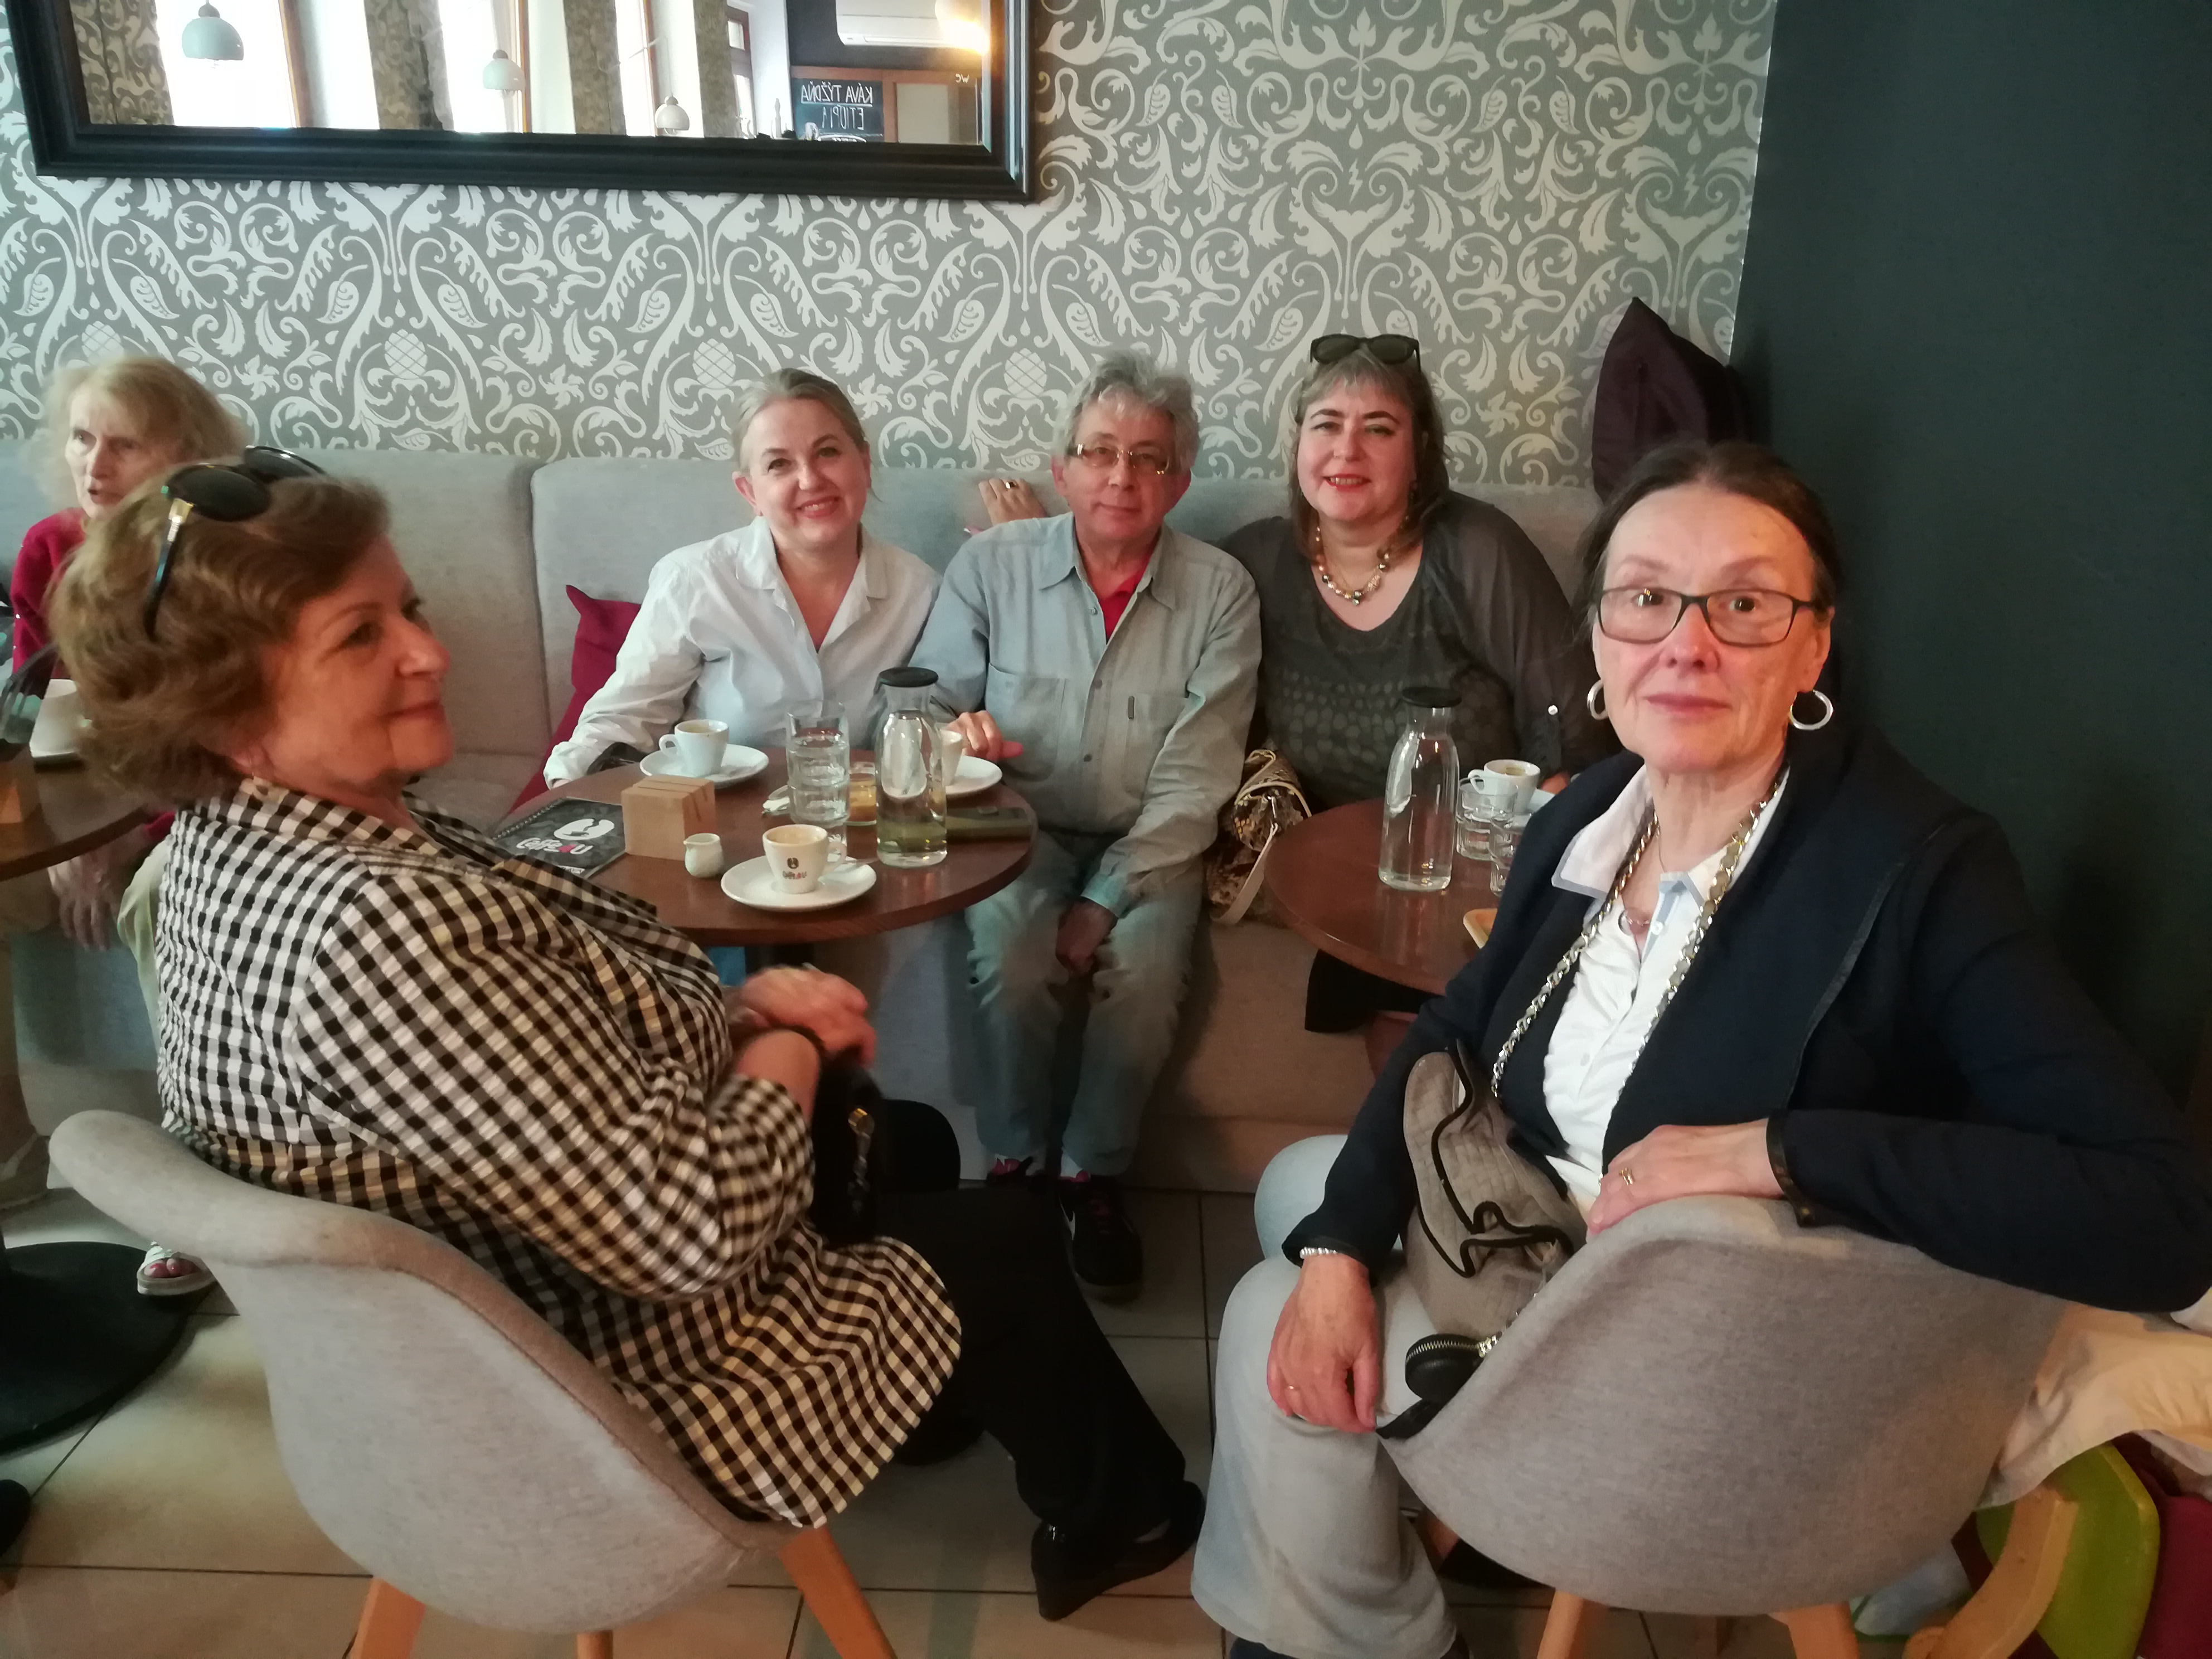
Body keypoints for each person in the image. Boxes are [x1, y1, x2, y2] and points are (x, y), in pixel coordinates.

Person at [50, 468, 1204, 1618]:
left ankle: (926, 1407)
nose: (428, 652)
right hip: (616, 1390)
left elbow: (512, 1043)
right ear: (226, 714)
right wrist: (787, 1040)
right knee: (1001, 1233)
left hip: (510, 1299)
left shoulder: (224, 853)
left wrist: (744, 1022)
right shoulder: (373, 929)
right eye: (360, 636)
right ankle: (1127, 1513)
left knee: (899, 1138)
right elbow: (687, 1228)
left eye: (410, 610)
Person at [1190, 441, 2212, 1659]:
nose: (1685, 643)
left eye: (1743, 604)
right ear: (1597, 636)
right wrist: (1340, 1257)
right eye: (1645, 598)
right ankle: (1358, 1575)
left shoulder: (1916, 872)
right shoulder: (1590, 815)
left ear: (1813, 647)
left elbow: (2162, 1213)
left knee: (1265, 1319)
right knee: (1307, 1205)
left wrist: (1775, 1151)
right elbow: (1458, 1027)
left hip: (1703, 1368)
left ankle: (1359, 1636)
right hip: (1539, 1234)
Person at [908, 353, 1260, 1299]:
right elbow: (919, 710)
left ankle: (1090, 1178)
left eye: (1149, 458)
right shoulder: (991, 566)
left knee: (1143, 975)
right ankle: (1016, 1166)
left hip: (1151, 837)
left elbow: (1197, 774)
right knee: (1011, 953)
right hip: (1011, 828)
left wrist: (1105, 897)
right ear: (1061, 470)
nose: (1121, 476)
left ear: (1179, 482)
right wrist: (952, 737)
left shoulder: (1221, 591)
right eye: (1099, 452)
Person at [1229, 334, 1610, 1069]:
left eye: (1379, 428)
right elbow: (1160, 625)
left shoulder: (1476, 549)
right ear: (1298, 444)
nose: (1347, 449)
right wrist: (1032, 543)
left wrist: (1533, 848)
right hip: (1333, 866)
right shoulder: (1255, 562)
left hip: (1472, 861)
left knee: (1433, 1021)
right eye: (1326, 424)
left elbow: (1573, 717)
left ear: (1420, 452)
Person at [0, 358, 243, 1298]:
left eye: (125, 444)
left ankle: (198, 1189)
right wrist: (73, 838)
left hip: (193, 803)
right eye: (81, 438)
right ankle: (11, 1150)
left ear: (186, 454)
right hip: (78, 806)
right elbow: (39, 713)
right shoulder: (48, 549)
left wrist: (125, 835)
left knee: (164, 897)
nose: (94, 464)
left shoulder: (217, 560)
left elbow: (218, 736)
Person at [544, 369, 937, 783]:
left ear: (865, 464)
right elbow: (623, 722)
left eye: (828, 452)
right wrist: (571, 798)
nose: (810, 480)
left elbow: (938, 733)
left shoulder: (921, 592)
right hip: (717, 817)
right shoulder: (694, 581)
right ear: (750, 492)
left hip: (860, 817)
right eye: (779, 464)